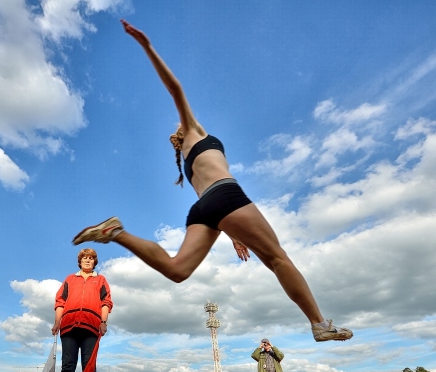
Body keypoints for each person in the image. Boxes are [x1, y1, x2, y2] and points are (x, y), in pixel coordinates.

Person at [71, 20, 352, 344]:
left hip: (205, 209)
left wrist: (234, 235)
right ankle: (319, 323)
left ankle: (116, 233)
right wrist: (147, 46)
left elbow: (215, 206)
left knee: (178, 270)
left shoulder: (189, 163)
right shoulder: (195, 132)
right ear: (184, 130)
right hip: (225, 196)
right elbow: (176, 89)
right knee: (277, 258)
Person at [46, 248, 113, 372]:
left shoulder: (101, 280)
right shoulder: (69, 279)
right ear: (80, 261)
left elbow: (106, 302)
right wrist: (57, 322)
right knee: (67, 367)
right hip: (69, 326)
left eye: (91, 258)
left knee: (88, 368)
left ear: (94, 262)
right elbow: (60, 301)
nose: (88, 261)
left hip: (91, 327)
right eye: (85, 258)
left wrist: (103, 322)